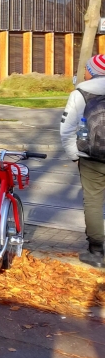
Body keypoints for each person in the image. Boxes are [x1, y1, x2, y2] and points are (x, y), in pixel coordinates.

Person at [60, 54, 105, 268]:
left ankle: (96, 252)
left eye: (87, 69)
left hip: (91, 156)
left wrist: (73, 155)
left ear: (93, 71)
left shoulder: (81, 93)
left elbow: (67, 129)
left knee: (93, 202)